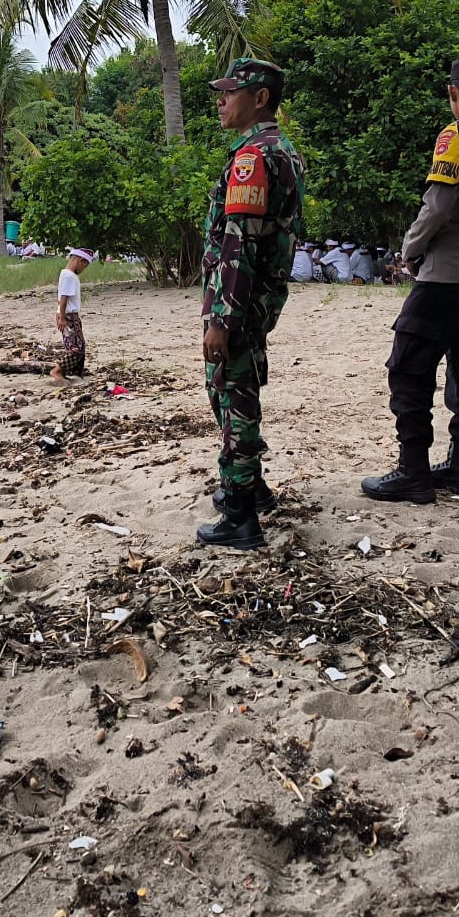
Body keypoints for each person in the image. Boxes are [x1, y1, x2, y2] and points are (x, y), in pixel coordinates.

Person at [361, 57, 459, 503]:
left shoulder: (457, 136)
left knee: (408, 367)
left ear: (453, 92)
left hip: (445, 271)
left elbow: (438, 204)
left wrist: (411, 249)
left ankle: (412, 470)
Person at [195, 58, 304, 550]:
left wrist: (222, 317)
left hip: (239, 300)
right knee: (233, 386)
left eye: (230, 93)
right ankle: (251, 486)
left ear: (260, 99)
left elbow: (239, 243)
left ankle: (240, 514)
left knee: (235, 395)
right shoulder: (279, 149)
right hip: (256, 297)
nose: (221, 101)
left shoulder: (253, 157)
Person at [51, 249, 94, 382]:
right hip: (68, 316)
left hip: (69, 315)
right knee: (76, 348)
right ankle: (58, 371)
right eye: (85, 266)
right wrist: (62, 317)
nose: (83, 269)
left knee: (79, 345)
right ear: (81, 261)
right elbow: (64, 297)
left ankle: (76, 372)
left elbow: (61, 298)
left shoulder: (66, 274)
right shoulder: (69, 276)